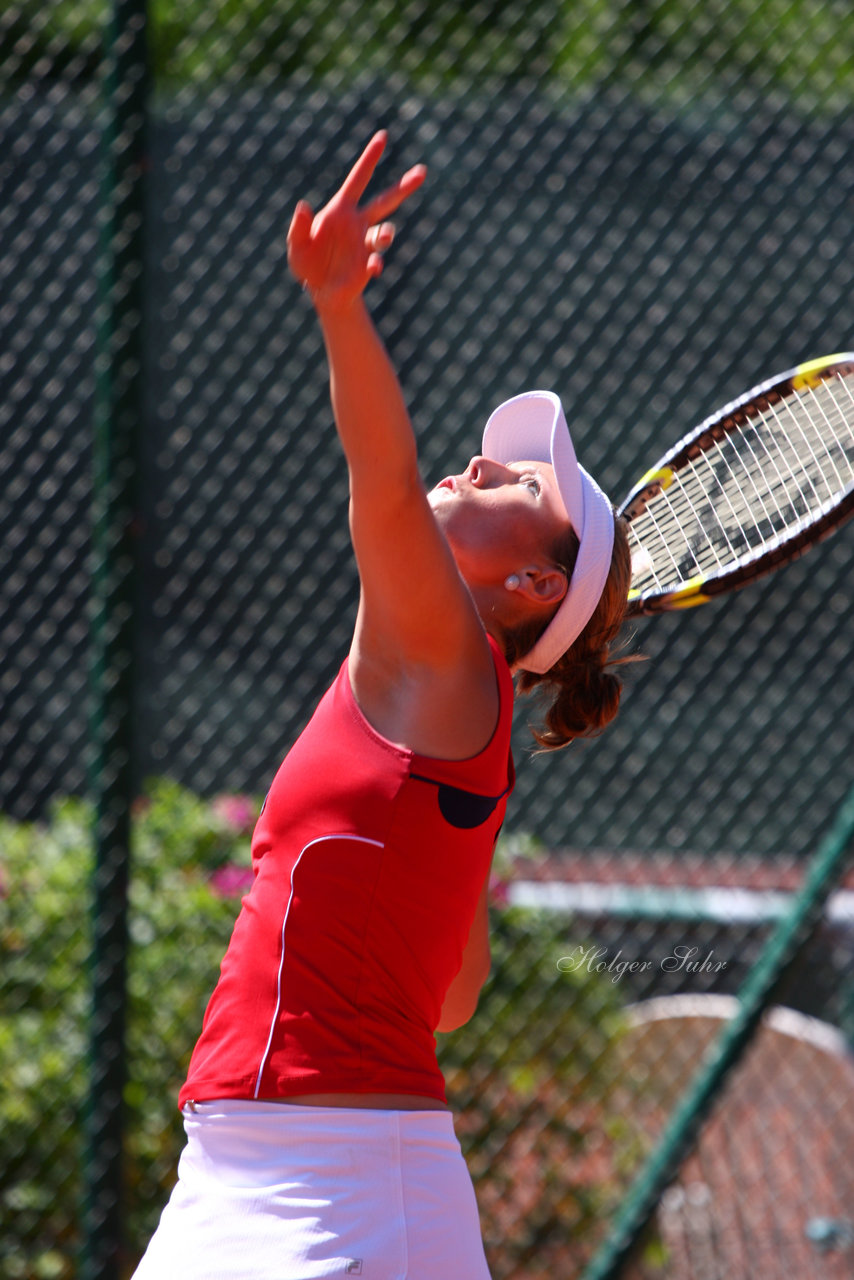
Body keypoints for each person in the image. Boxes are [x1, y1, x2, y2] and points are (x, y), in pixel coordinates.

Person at [132, 131, 632, 1280]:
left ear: (533, 584)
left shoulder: (449, 662)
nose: (483, 464)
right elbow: (448, 995)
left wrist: (340, 307)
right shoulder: (447, 701)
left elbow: (381, 483)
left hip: (341, 1190)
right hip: (245, 1169)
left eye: (520, 484)